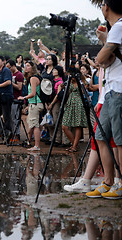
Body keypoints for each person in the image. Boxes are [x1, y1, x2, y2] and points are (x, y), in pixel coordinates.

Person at [88, 0, 122, 199]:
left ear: (107, 7)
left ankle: (118, 182)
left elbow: (101, 59)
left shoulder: (118, 27)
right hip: (110, 90)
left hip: (118, 89)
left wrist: (104, 41)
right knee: (101, 137)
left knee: (118, 140)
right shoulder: (115, 29)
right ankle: (108, 181)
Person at [18, 61, 43, 151]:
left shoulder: (33, 78)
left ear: (32, 68)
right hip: (35, 103)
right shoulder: (35, 77)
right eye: (25, 65)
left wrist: (23, 97)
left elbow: (32, 93)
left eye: (28, 65)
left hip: (35, 104)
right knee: (32, 124)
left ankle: (36, 146)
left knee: (35, 125)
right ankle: (29, 141)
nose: (26, 67)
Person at [61, 69, 88, 153]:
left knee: (78, 125)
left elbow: (83, 91)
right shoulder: (69, 82)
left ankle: (74, 146)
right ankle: (74, 144)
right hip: (70, 103)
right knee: (64, 126)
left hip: (79, 103)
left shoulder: (83, 82)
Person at [0, 56, 14, 144]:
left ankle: (8, 136)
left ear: (3, 62)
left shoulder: (6, 70)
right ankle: (5, 133)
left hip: (6, 96)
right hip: (0, 96)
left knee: (6, 116)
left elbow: (8, 82)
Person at [6, 59, 24, 143]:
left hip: (16, 98)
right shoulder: (11, 74)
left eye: (9, 67)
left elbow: (19, 87)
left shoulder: (19, 75)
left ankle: (16, 135)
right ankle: (12, 133)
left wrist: (10, 83)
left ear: (13, 66)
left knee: (15, 117)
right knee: (10, 117)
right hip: (10, 98)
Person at [46, 66, 65, 146]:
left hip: (56, 102)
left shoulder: (60, 82)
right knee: (50, 121)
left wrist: (51, 104)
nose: (53, 71)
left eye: (55, 70)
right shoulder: (53, 80)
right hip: (50, 101)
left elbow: (58, 95)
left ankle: (57, 139)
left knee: (56, 120)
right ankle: (51, 138)